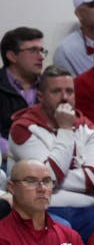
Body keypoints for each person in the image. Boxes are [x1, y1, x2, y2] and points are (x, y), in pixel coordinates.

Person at [7, 65, 94, 241]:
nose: (65, 98)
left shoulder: (87, 128)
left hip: (88, 209)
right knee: (60, 232)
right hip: (42, 209)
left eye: (69, 91)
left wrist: (52, 180)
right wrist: (65, 130)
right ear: (41, 96)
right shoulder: (23, 128)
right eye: (56, 91)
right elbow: (48, 177)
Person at [1, 27, 43, 155]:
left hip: (44, 156)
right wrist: (13, 153)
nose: (41, 57)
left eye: (41, 51)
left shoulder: (48, 86)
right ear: (12, 56)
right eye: (33, 50)